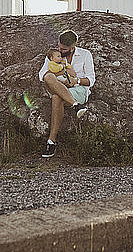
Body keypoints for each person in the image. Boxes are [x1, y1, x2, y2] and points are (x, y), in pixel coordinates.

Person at [38, 30, 95, 158]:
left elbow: (91, 80)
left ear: (72, 47)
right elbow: (42, 74)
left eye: (63, 49)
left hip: (78, 89)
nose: (60, 50)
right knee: (48, 77)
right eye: (59, 46)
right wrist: (59, 75)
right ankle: (76, 105)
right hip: (58, 85)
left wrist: (76, 80)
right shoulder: (55, 55)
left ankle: (51, 141)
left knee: (56, 97)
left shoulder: (85, 55)